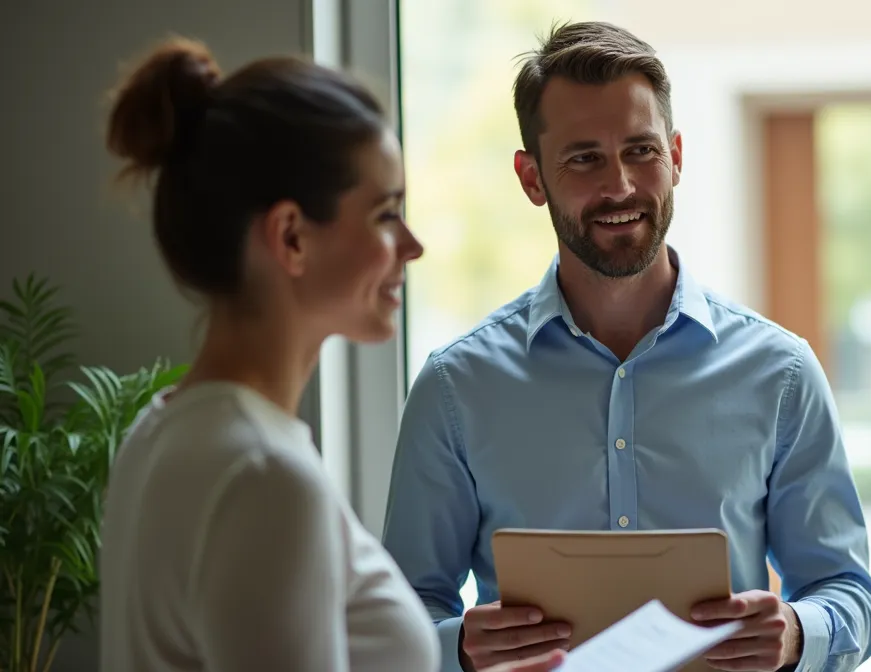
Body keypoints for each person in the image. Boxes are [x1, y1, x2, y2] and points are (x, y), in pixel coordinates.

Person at [381, 20, 871, 672]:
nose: (619, 186)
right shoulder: (456, 388)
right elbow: (399, 616)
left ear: (675, 155)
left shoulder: (781, 373)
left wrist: (796, 631)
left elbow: (849, 595)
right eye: (584, 158)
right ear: (532, 179)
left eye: (641, 150)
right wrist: (460, 650)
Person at [97, 38, 564, 672]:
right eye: (385, 214)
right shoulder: (265, 476)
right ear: (291, 237)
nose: (413, 245)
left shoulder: (157, 433)